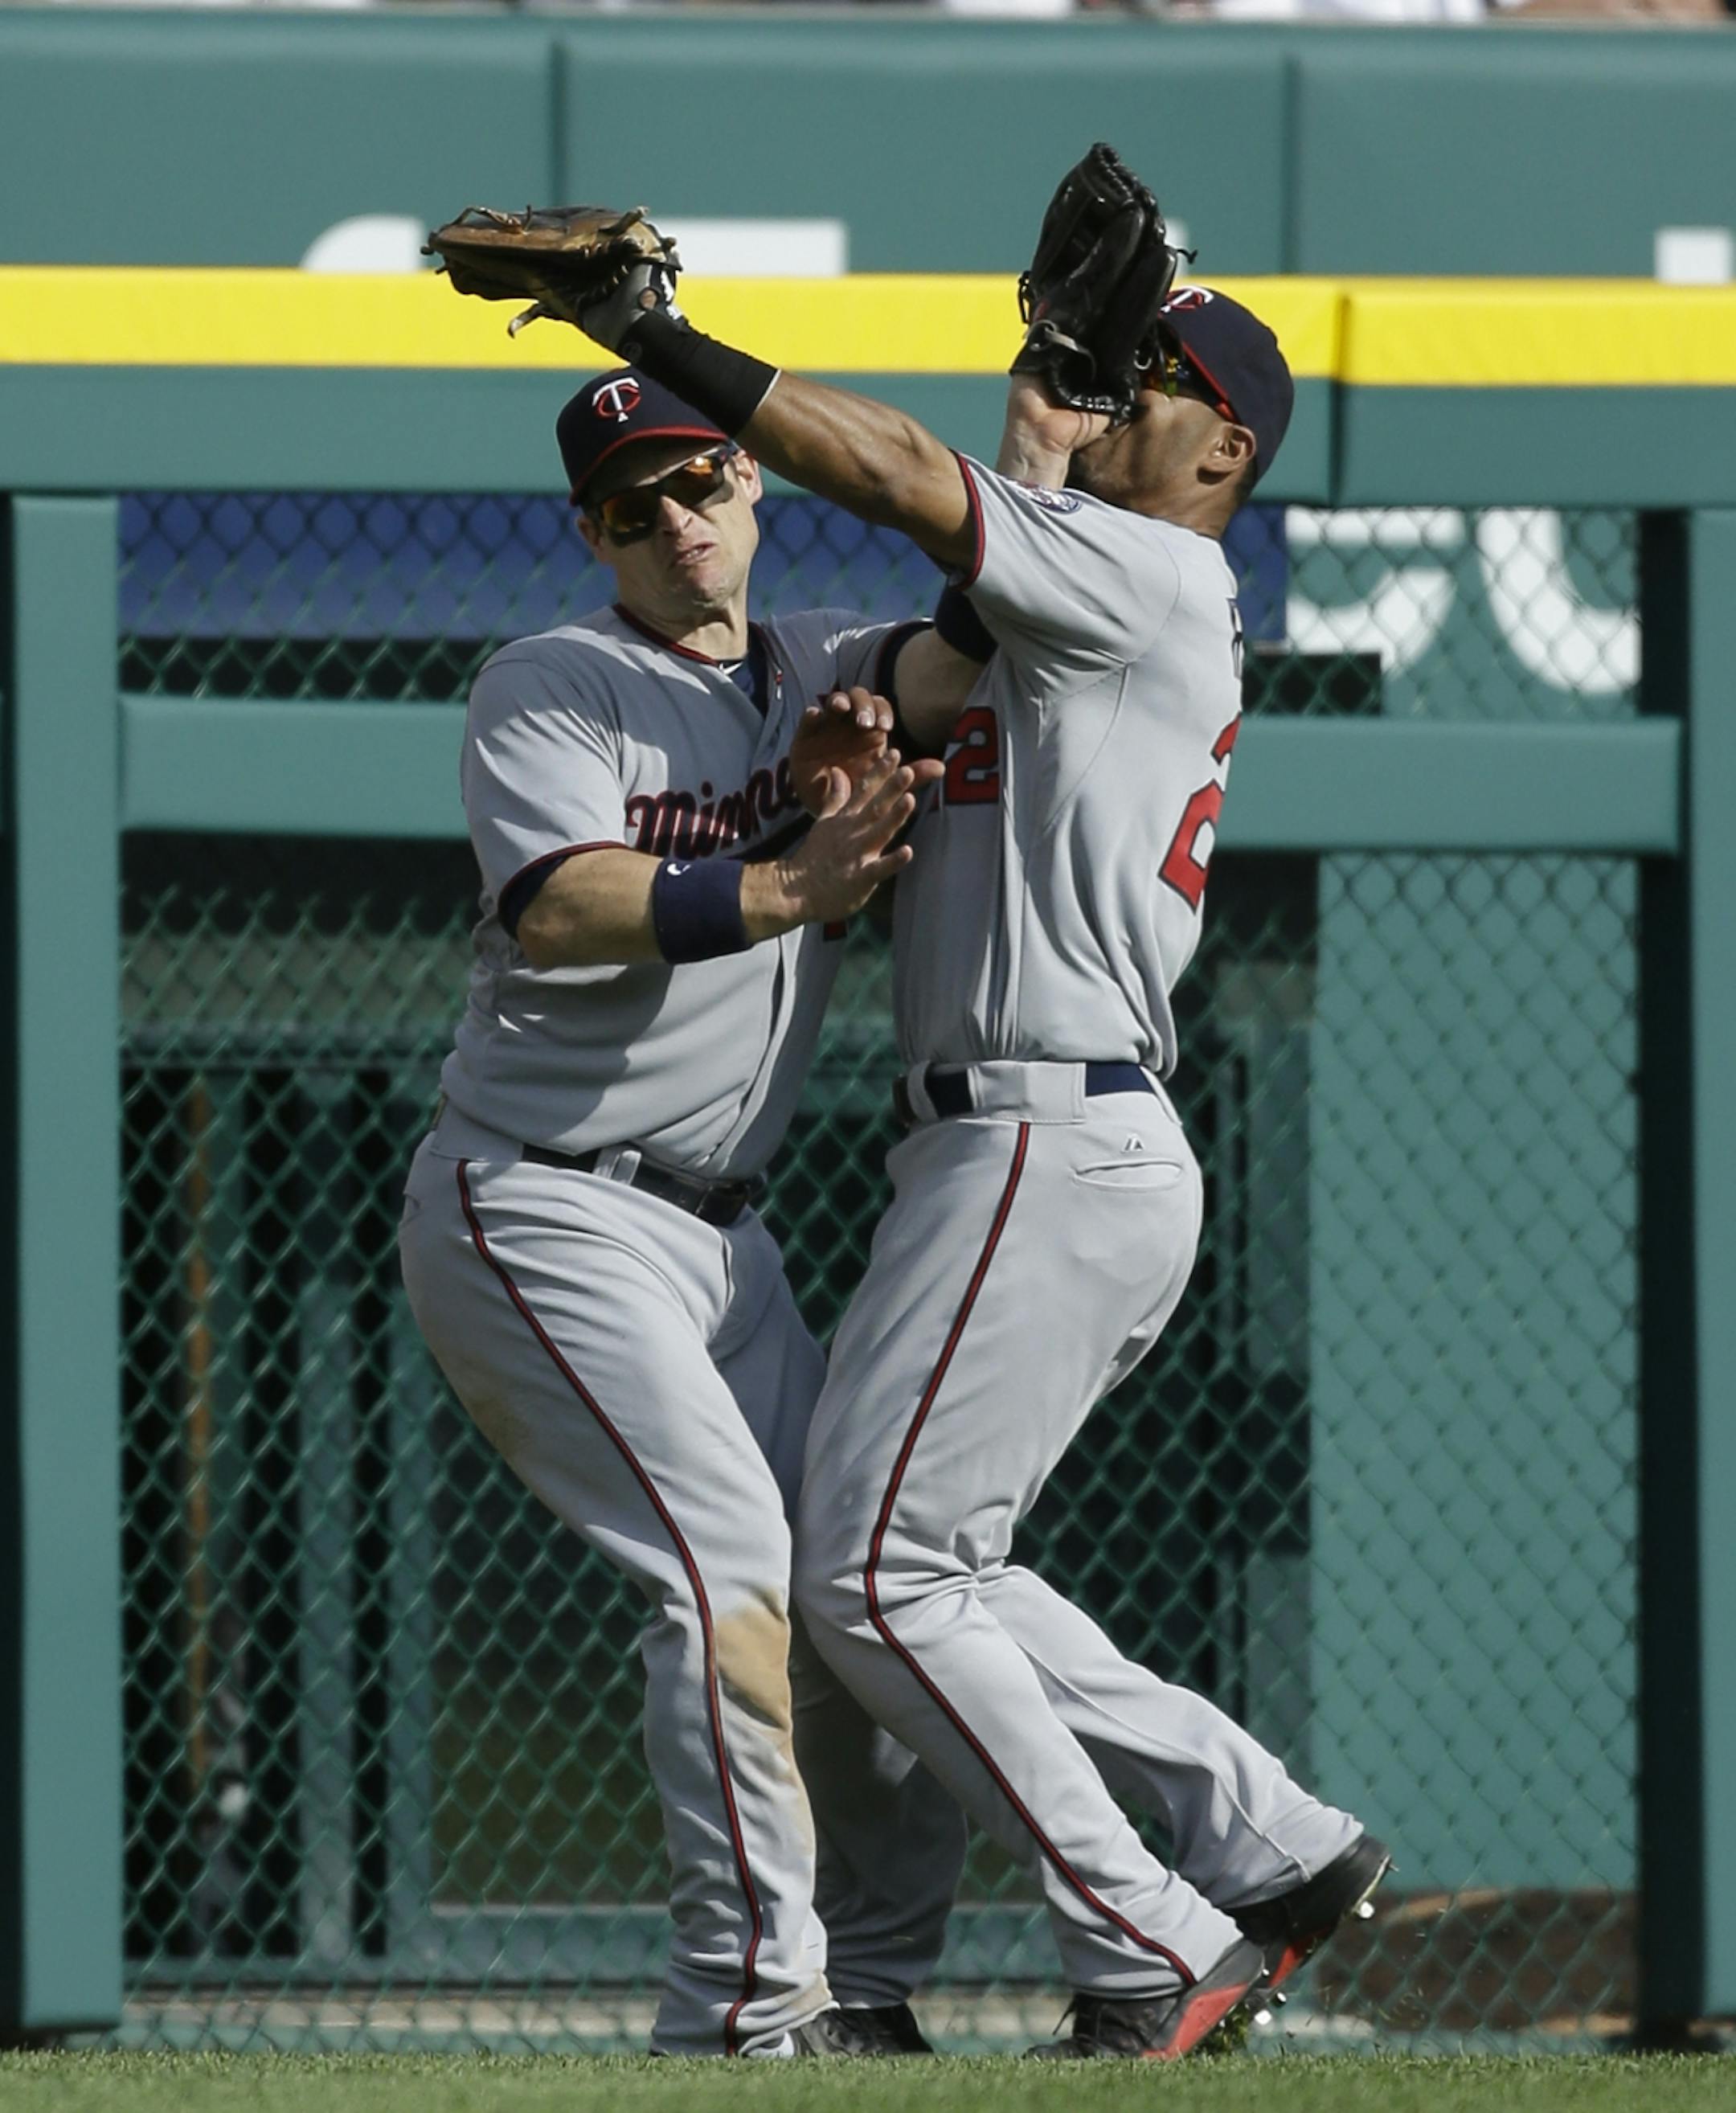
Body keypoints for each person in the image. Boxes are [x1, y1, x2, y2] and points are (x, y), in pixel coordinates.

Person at [570, 261, 1391, 2058]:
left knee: (871, 1574)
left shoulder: (1154, 568)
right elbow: (944, 623)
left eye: (1147, 384)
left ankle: (1152, 1930)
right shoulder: (1058, 586)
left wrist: (655, 330)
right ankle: (1264, 1829)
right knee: (928, 1566)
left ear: (1221, 446)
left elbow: (887, 474)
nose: (1110, 405)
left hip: (1048, 1122)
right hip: (1017, 1140)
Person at [395, 368, 971, 2058]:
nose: (677, 522)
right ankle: (739, 2009)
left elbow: (971, 644)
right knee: (723, 1565)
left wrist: (1039, 454)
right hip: (541, 1199)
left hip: (729, 1235)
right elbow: (564, 906)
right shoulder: (553, 681)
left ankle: (865, 1991)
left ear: (754, 484)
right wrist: (791, 877)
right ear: (594, 531)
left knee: (871, 1588)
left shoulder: (822, 658)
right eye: (633, 503)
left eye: (702, 480)